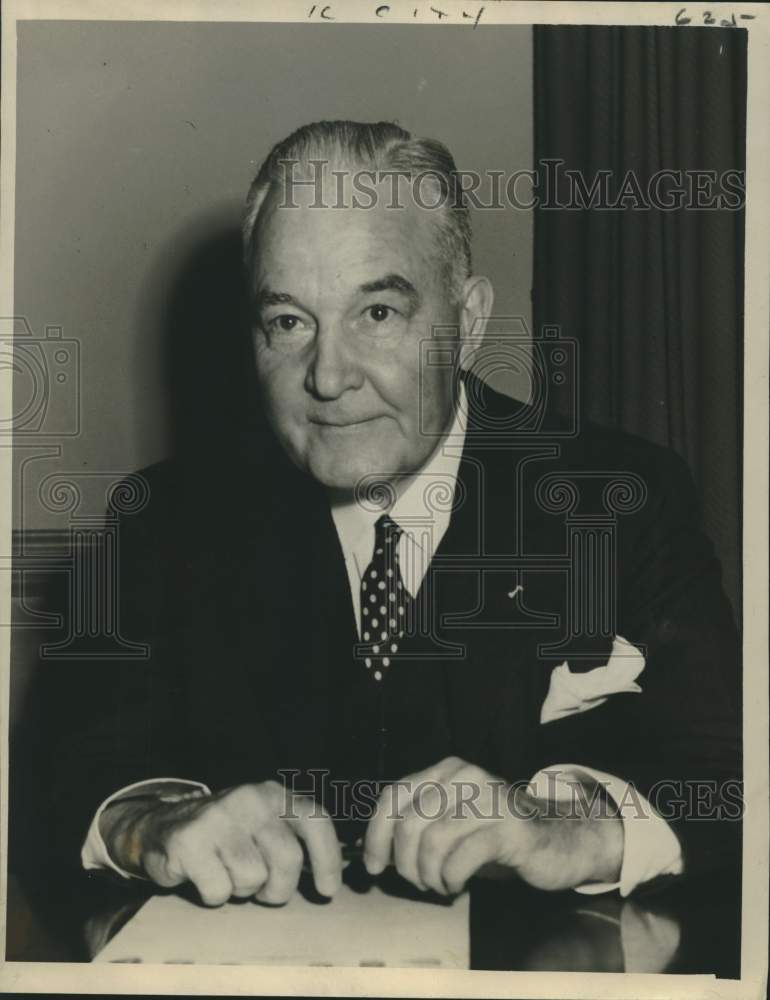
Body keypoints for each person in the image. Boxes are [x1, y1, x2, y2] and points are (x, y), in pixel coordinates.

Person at [33, 121, 740, 910]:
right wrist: (150, 823)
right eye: (289, 321)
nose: (328, 377)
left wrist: (569, 830)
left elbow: (727, 777)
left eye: (377, 313)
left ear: (468, 323)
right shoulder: (167, 522)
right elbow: (68, 772)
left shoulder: (619, 498)